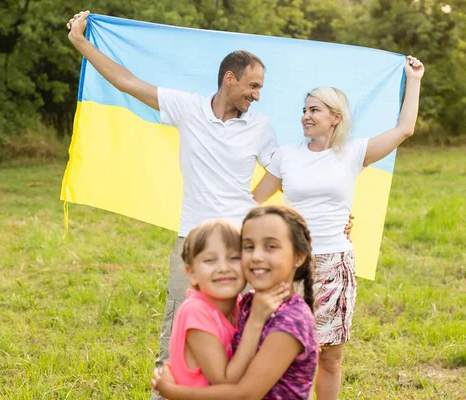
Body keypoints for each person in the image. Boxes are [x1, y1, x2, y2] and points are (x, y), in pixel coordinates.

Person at [66, 11, 351, 399]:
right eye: (252, 85)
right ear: (228, 79)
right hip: (195, 238)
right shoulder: (187, 108)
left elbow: (289, 171)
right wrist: (80, 41)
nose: (256, 94)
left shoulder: (260, 126)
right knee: (179, 329)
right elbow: (126, 81)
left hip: (241, 242)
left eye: (261, 88)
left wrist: (328, 216)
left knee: (244, 332)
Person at [251, 56, 425, 399]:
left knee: (329, 357)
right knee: (282, 353)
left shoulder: (354, 152)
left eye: (315, 109)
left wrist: (414, 79)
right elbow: (253, 200)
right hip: (290, 267)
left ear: (335, 117)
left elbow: (405, 129)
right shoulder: (287, 155)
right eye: (304, 109)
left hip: (335, 264)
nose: (306, 115)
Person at [152, 205, 319, 399]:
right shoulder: (248, 302)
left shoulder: (291, 320)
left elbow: (246, 395)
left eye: (271, 246)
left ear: (298, 256)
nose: (256, 256)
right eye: (248, 247)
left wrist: (173, 392)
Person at [169, 219, 290, 387]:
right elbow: (224, 380)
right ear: (192, 273)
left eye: (234, 258)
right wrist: (255, 321)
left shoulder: (241, 305)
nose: (223, 268)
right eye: (210, 260)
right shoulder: (196, 311)